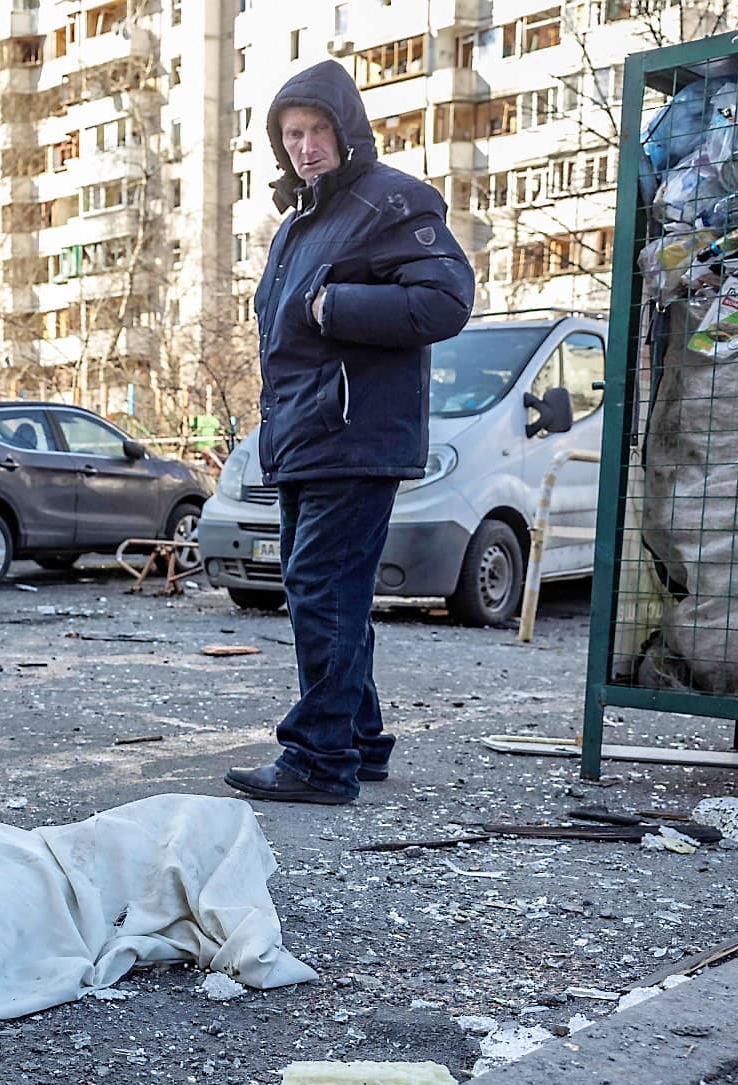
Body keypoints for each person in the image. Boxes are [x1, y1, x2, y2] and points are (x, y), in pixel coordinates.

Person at [226, 61, 474, 806]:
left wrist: (336, 307)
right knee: (332, 591)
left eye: (315, 129)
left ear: (345, 129)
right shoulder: (302, 221)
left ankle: (318, 759)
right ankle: (359, 740)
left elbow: (445, 299)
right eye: (290, 134)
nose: (303, 146)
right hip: (307, 435)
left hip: (354, 434)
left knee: (319, 586)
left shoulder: (391, 200)